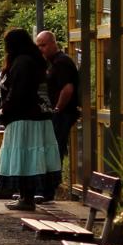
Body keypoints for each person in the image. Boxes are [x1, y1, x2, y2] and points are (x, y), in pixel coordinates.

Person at [0, 28, 61, 212]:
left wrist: (4, 111)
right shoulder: (34, 60)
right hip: (37, 117)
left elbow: (18, 92)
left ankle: (27, 198)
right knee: (31, 157)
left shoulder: (21, 62)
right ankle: (26, 197)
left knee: (23, 156)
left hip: (23, 118)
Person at [36, 29, 81, 171]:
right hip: (61, 113)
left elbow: (67, 88)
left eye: (43, 45)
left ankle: (54, 177)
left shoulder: (61, 62)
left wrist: (57, 109)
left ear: (53, 43)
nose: (40, 49)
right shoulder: (53, 62)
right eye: (38, 46)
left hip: (63, 113)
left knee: (56, 147)